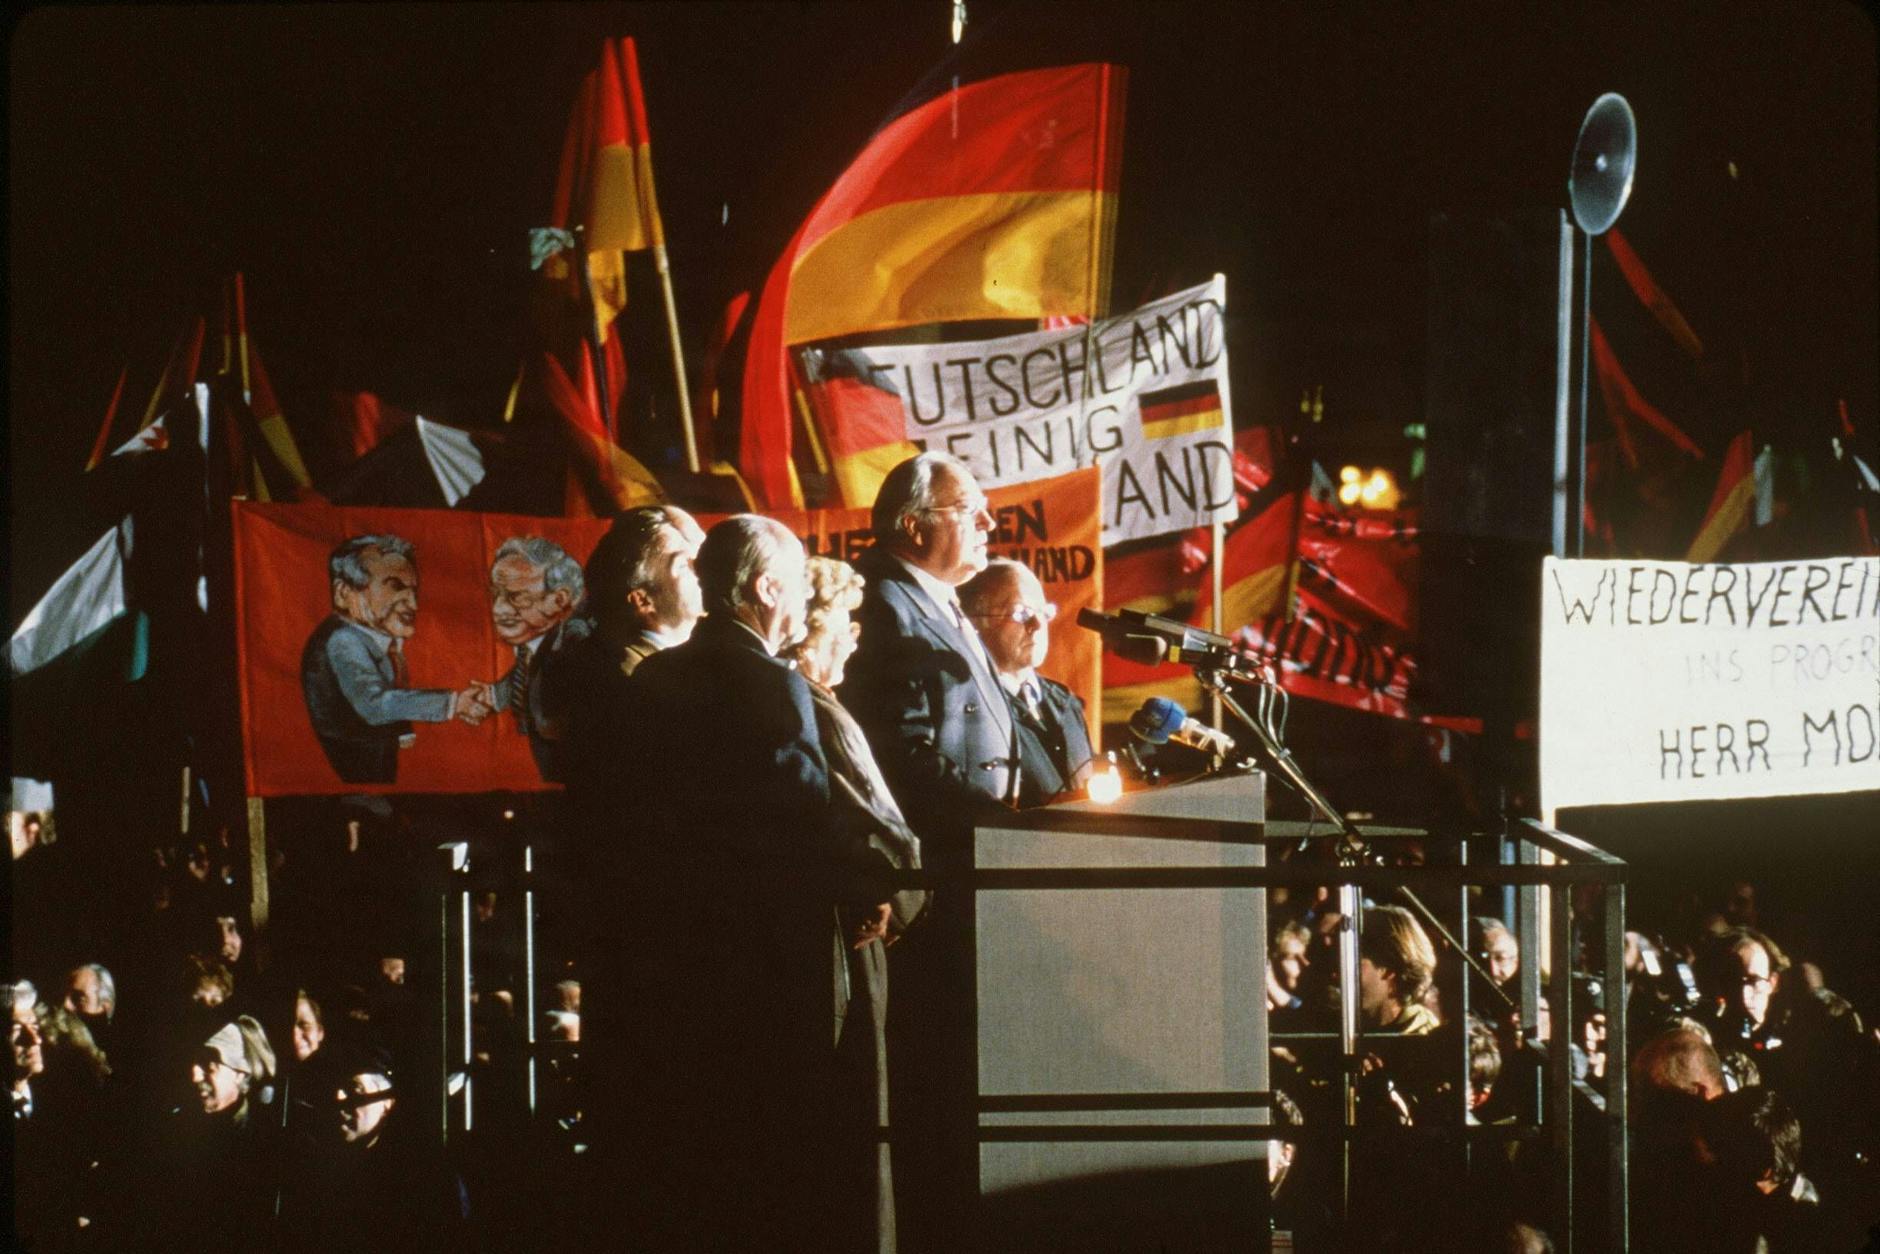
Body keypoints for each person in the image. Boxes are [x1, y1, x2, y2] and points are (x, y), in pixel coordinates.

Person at [620, 515, 893, 1251]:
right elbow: (801, 808)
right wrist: (858, 888)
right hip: (769, 957)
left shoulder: (653, 677)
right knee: (778, 1154)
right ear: (766, 587)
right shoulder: (771, 683)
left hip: (675, 954)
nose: (806, 602)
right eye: (800, 584)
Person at [839, 452, 1014, 1250]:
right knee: (932, 1091)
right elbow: (901, 753)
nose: (989, 523)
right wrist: (1004, 826)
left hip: (970, 876)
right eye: (969, 508)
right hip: (930, 887)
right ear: (914, 525)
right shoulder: (883, 603)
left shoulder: (937, 603)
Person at [786, 554, 930, 1254]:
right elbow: (872, 825)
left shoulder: (815, 702)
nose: (854, 638)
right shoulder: (808, 705)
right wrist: (894, 893)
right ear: (809, 628)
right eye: (844, 622)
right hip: (846, 937)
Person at [300, 534, 491, 783]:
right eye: (396, 587)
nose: (413, 604)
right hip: (356, 780)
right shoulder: (344, 640)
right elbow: (376, 705)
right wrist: (455, 703)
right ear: (344, 592)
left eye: (413, 591)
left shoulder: (372, 638)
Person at [958, 558, 1093, 807]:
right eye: (1020, 613)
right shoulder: (969, 710)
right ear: (974, 622)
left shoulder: (1065, 702)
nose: (1037, 624)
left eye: (1044, 611)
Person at [484, 535, 589, 780]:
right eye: (495, 594)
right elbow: (532, 671)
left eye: (515, 596)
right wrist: (493, 697)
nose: (498, 609)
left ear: (559, 600)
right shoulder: (538, 643)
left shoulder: (577, 645)